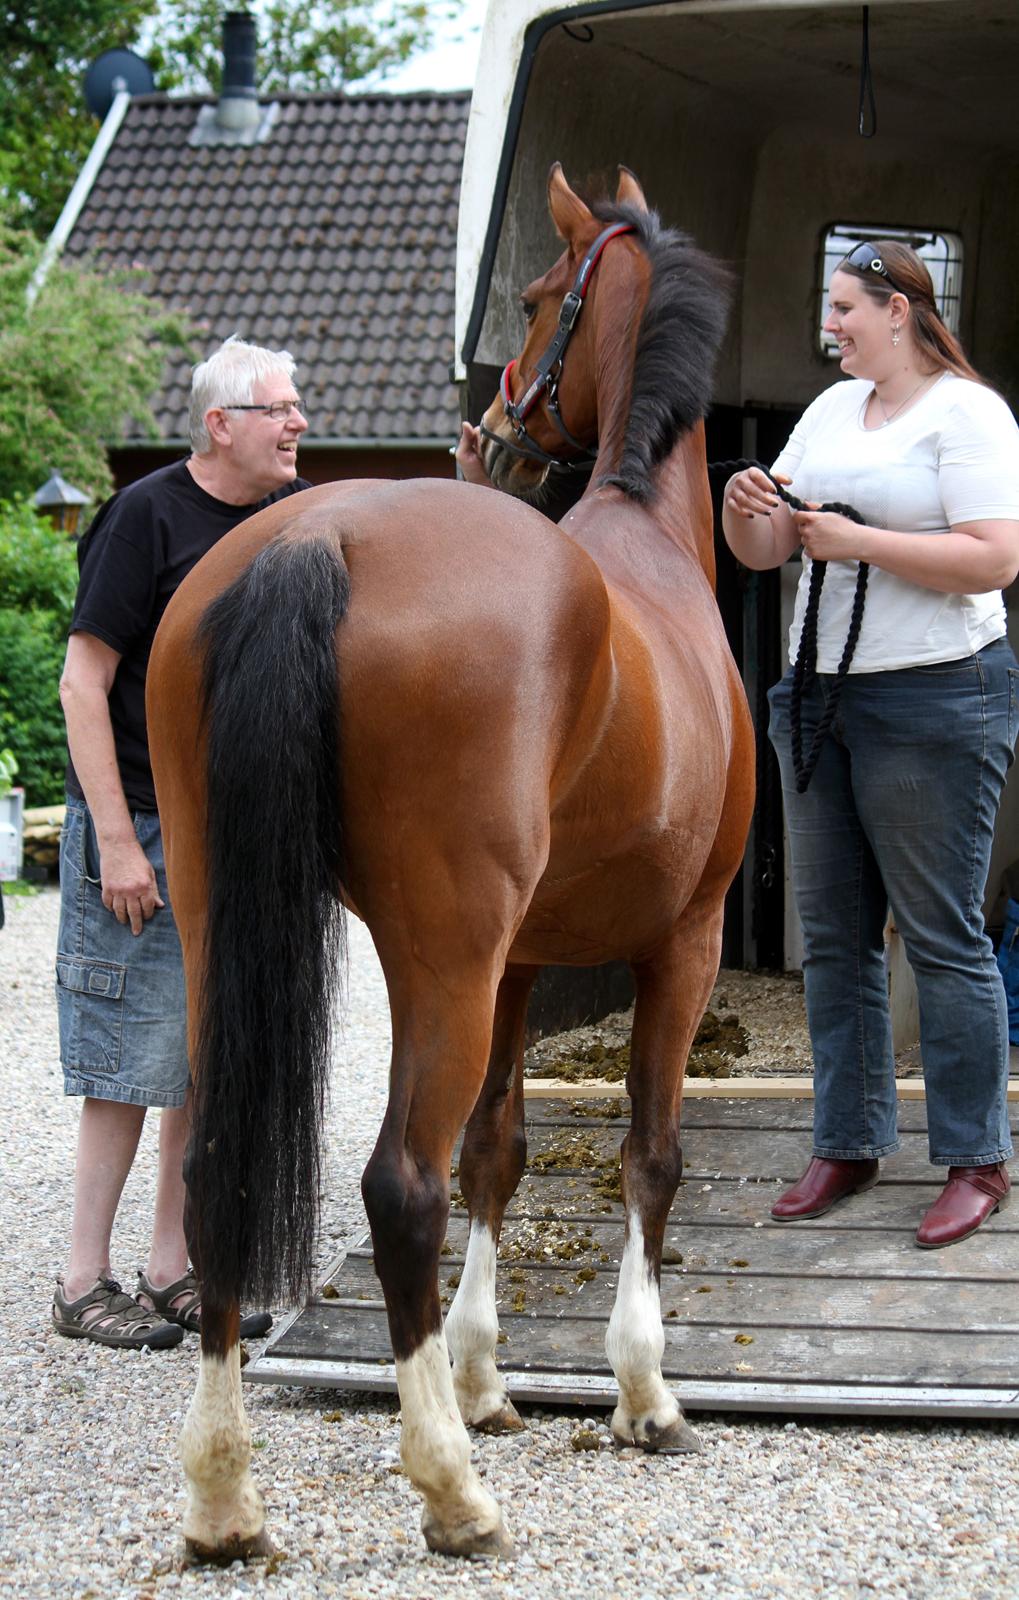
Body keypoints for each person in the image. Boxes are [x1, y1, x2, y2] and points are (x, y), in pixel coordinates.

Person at [722, 240, 1019, 1248]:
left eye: (844, 308)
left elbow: (992, 555)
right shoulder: (828, 410)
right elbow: (767, 553)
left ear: (897, 310)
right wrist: (746, 516)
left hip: (936, 696)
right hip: (819, 696)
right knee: (831, 936)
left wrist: (858, 544)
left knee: (937, 934)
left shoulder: (966, 413)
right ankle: (845, 1139)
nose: (830, 326)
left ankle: (974, 1157)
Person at [53, 336, 310, 1347]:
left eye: (297, 406)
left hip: (228, 835)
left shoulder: (280, 528)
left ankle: (173, 1263)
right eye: (280, 409)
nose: (298, 424)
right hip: (143, 831)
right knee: (128, 1061)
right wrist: (116, 841)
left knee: (202, 1060)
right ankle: (80, 1281)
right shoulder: (145, 517)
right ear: (221, 424)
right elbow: (82, 683)